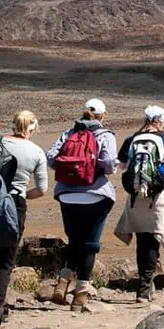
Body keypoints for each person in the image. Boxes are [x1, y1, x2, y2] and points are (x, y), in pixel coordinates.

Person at [0, 110, 48, 329]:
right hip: (13, 206)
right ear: (33, 128)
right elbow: (42, 189)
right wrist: (22, 194)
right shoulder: (36, 152)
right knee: (6, 260)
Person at [46, 98, 118, 311]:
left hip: (67, 194)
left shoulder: (69, 133)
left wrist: (71, 169)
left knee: (74, 240)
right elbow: (110, 165)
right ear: (103, 116)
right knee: (90, 243)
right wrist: (91, 166)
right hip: (96, 195)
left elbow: (51, 158)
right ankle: (81, 294)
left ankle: (63, 281)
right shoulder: (105, 135)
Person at [114, 105, 164, 303]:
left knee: (142, 241)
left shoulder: (132, 139)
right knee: (153, 241)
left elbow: (121, 166)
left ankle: (145, 285)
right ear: (160, 120)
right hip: (158, 197)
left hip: (136, 198)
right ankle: (144, 290)